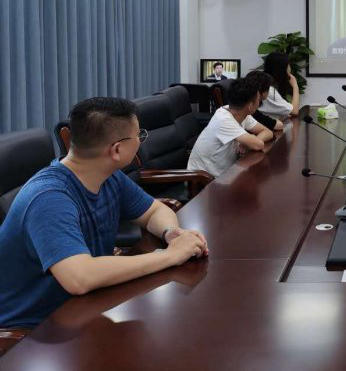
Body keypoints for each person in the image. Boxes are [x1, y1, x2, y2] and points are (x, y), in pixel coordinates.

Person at [0, 97, 209, 328]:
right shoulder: (49, 198)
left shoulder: (108, 176)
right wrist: (170, 256)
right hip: (32, 331)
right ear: (117, 149)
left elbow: (154, 211)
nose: (141, 141)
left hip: (85, 308)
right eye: (139, 136)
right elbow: (80, 278)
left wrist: (171, 233)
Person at [188, 78, 273, 177]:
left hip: (225, 173)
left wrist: (248, 143)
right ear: (250, 106)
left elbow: (268, 132)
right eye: (258, 100)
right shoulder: (224, 119)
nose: (259, 104)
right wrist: (250, 142)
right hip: (203, 179)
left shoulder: (240, 112)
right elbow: (259, 144)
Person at [260, 52, 300, 118]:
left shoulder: (267, 85)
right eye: (288, 65)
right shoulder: (270, 90)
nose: (290, 69)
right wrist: (295, 85)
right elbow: (295, 111)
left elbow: (288, 112)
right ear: (281, 69)